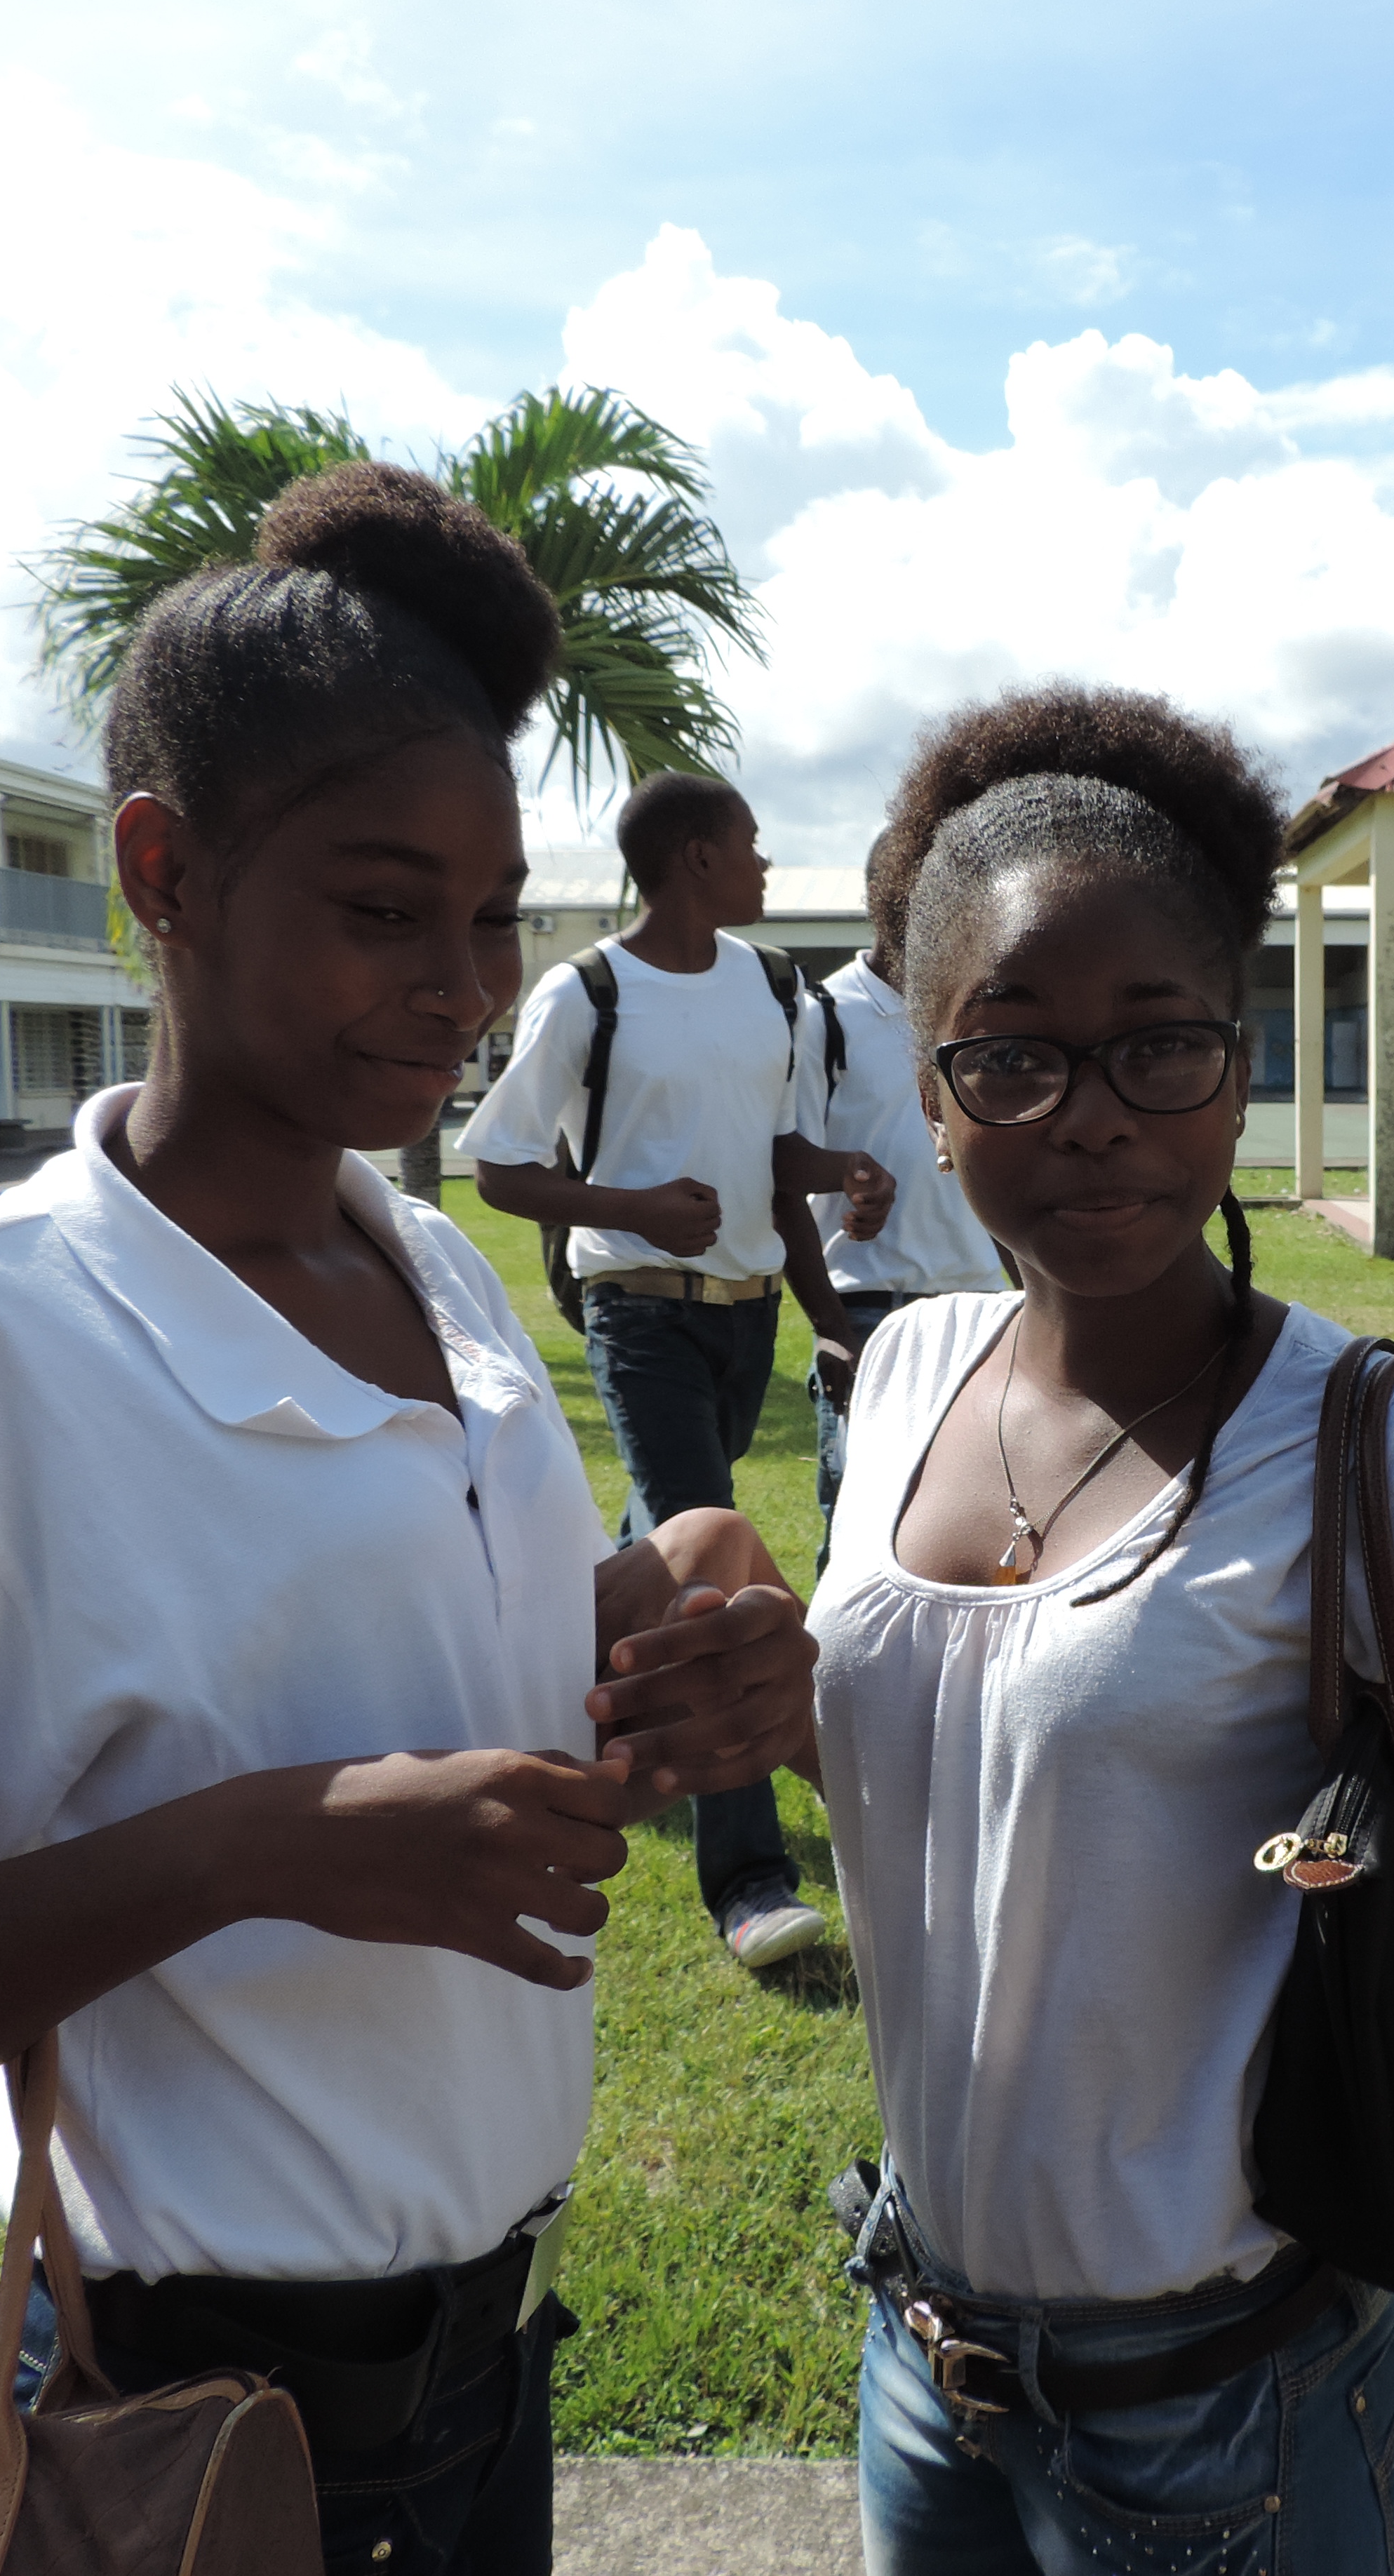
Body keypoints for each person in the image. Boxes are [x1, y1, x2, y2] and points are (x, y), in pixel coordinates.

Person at [0, 464, 819, 2576]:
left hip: (494, 2375)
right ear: (164, 869)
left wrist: (667, 1614)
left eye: (494, 917)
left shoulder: (432, 1264)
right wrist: (262, 1850)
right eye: (384, 910)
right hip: (188, 2419)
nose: (463, 985)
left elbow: (435, 1642)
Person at [814, 680, 1394, 2576]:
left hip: (1228, 2429)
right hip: (925, 2375)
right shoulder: (899, 1376)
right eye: (1011, 1056)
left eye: (1161, 1047)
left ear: (1241, 1062)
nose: (1091, 1120)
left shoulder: (1388, 1446)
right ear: (930, 1090)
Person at [463, 773, 886, 1976]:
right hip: (637, 1310)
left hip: (748, 1318)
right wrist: (634, 1208)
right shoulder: (587, 991)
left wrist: (843, 1187)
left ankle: (568, 1685)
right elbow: (497, 1164)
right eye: (750, 843)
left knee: (661, 1538)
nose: (765, 863)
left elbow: (775, 1155)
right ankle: (749, 1882)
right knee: (707, 1563)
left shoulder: (775, 985)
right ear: (697, 857)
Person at [801, 831, 1010, 1563]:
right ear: (889, 903)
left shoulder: (981, 1014)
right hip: (870, 1313)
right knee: (862, 1535)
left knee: (984, 1525)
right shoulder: (822, 1015)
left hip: (986, 1309)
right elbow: (780, 1169)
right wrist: (831, 1327)